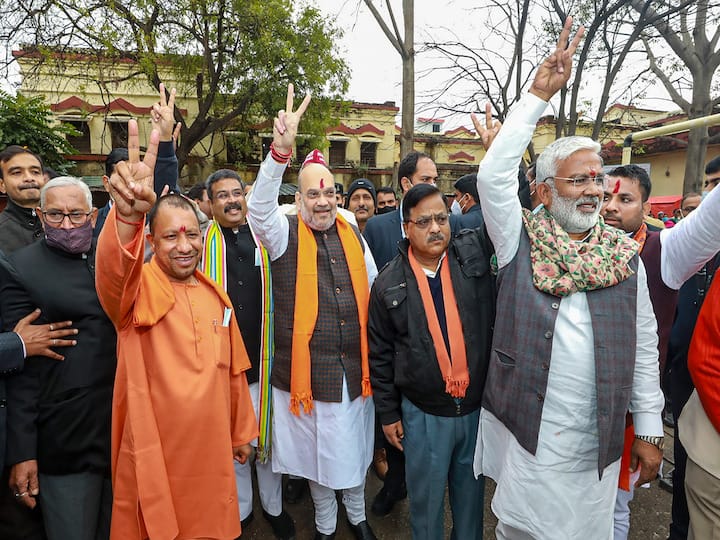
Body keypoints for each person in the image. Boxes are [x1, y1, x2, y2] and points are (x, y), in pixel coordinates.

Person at [471, 19, 665, 539]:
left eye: (597, 179)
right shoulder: (519, 239)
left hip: (594, 444)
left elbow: (643, 343)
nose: (593, 190)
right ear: (542, 192)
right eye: (578, 179)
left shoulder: (622, 256)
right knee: (522, 529)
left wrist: (649, 428)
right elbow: (492, 177)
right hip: (530, 439)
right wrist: (538, 95)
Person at [95, 120, 257, 540]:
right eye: (171, 237)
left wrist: (241, 432)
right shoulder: (136, 289)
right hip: (158, 452)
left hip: (212, 453)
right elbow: (114, 273)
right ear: (151, 241)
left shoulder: (216, 297)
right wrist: (127, 218)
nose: (184, 246)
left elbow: (233, 373)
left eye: (192, 235)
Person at [247, 85, 377, 540]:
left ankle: (357, 517)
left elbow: (374, 289)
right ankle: (326, 523)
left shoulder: (352, 234)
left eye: (329, 192)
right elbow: (257, 208)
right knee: (318, 459)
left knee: (354, 451)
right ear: (299, 198)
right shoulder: (282, 232)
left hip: (354, 372)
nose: (323, 201)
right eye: (313, 194)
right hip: (306, 376)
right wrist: (279, 153)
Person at [369, 182, 494, 539]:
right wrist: (388, 414)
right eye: (424, 222)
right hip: (423, 414)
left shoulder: (472, 253)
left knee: (470, 505)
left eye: (441, 218)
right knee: (426, 508)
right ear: (406, 227)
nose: (436, 228)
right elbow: (379, 354)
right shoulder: (388, 282)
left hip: (474, 409)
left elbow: (504, 206)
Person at [1, 177, 116, 540]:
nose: (67, 225)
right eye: (55, 215)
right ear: (40, 215)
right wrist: (22, 451)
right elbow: (20, 370)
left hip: (120, 429)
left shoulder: (111, 257)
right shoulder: (19, 268)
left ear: (93, 216)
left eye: (76, 215)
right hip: (65, 439)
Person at [201, 169, 295, 539]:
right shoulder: (200, 245)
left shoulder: (266, 236)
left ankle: (273, 508)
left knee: (267, 440)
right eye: (221, 195)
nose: (231, 201)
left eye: (236, 193)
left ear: (245, 196)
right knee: (234, 442)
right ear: (210, 205)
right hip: (223, 366)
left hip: (265, 359)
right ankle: (240, 510)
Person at [601, 165, 682, 539]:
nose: (610, 207)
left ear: (647, 208)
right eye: (606, 197)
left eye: (625, 199)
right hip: (581, 411)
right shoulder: (576, 247)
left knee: (617, 504)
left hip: (628, 411)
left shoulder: (664, 250)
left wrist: (650, 431)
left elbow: (646, 349)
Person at [94, 83, 180, 237]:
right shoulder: (92, 222)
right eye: (124, 177)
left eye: (135, 178)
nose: (132, 185)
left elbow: (166, 186)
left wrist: (164, 139)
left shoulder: (153, 216)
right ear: (107, 183)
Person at [0, 146, 46, 253]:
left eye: (35, 172)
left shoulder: (64, 223)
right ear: (2, 185)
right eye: (17, 173)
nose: (29, 178)